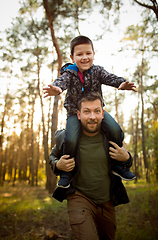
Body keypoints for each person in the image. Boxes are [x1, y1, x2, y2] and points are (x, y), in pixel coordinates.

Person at [43, 35, 136, 188]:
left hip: (97, 112)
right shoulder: (70, 73)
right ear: (73, 57)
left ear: (93, 54)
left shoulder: (97, 71)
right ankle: (67, 171)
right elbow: (61, 81)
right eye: (79, 54)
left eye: (88, 53)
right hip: (75, 113)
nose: (84, 57)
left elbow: (110, 77)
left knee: (115, 129)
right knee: (71, 139)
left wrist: (121, 83)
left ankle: (118, 165)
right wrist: (57, 88)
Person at [49, 92, 133, 240]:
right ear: (79, 115)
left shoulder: (111, 137)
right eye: (87, 111)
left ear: (103, 114)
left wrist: (127, 158)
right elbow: (52, 157)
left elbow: (125, 160)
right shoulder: (66, 137)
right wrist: (58, 164)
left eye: (96, 111)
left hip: (107, 201)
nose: (92, 116)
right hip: (79, 197)